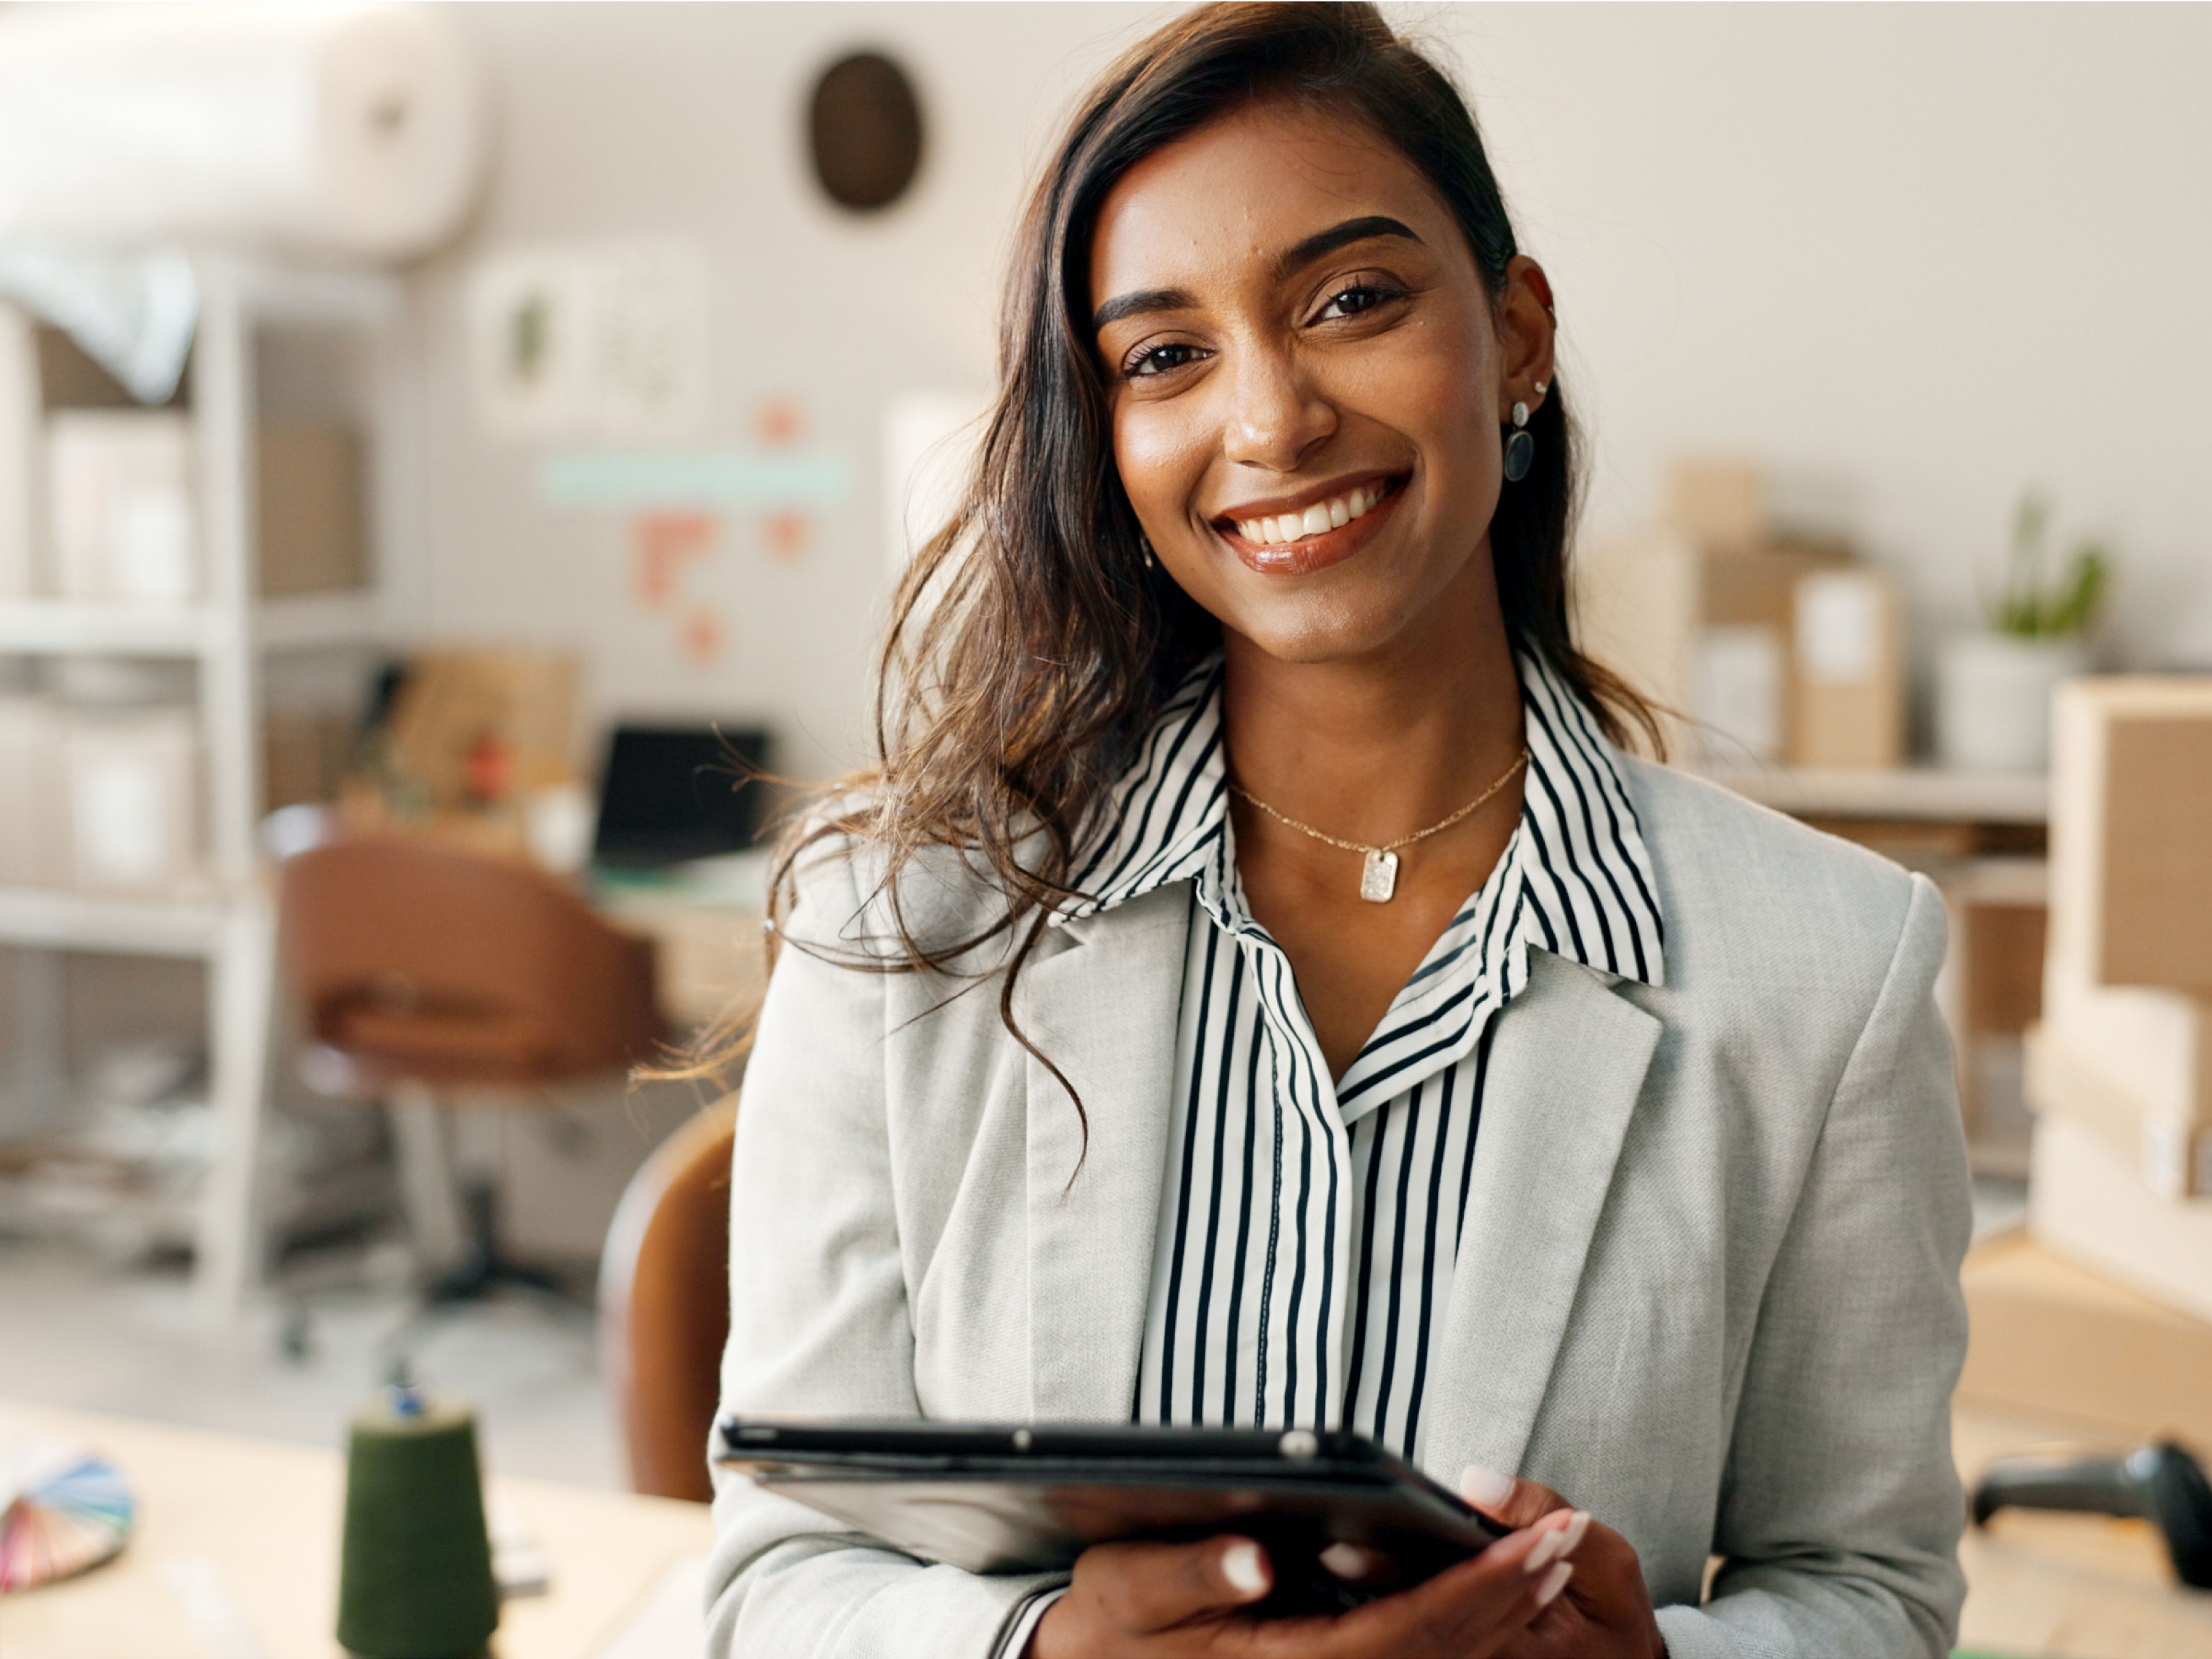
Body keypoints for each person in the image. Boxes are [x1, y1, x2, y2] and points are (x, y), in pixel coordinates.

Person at [704, 5, 1971, 1656]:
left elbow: (1871, 1596)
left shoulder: (1829, 974)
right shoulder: (897, 926)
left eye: (1350, 301)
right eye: (1165, 354)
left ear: (1515, 335)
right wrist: (1039, 1655)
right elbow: (772, 1582)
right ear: (1106, 433)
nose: (1271, 418)